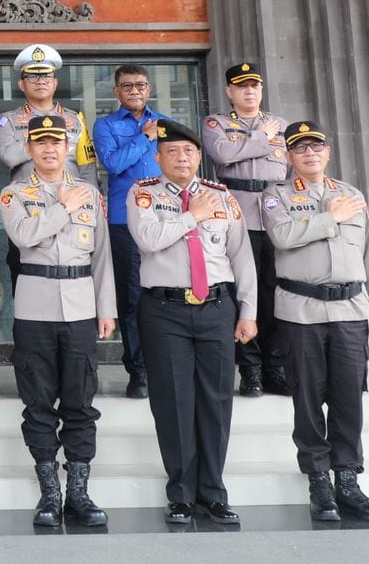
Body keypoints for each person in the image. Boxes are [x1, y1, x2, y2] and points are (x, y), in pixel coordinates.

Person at [263, 121, 369, 523]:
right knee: (307, 400)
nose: (309, 154)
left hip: (349, 311)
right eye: (300, 149)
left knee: (348, 399)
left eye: (316, 147)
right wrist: (330, 218)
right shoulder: (277, 196)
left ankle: (348, 479)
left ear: (328, 153)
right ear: (289, 157)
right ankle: (318, 481)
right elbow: (283, 237)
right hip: (300, 311)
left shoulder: (351, 195)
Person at [128, 119, 258, 526]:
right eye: (172, 152)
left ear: (200, 157)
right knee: (174, 402)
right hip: (164, 310)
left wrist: (249, 311)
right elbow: (148, 239)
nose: (181, 158)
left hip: (216, 308)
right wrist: (191, 216)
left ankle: (213, 493)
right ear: (159, 157)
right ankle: (182, 494)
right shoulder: (143, 194)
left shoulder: (223, 197)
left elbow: (242, 258)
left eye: (188, 152)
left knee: (217, 401)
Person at [0, 113, 116, 528]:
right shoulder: (14, 194)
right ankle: (50, 493)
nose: (50, 149)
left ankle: (79, 493)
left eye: (57, 142)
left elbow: (101, 255)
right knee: (38, 404)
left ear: (67, 148)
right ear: (29, 149)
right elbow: (24, 237)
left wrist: (107, 308)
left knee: (81, 403)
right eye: (41, 143)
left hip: (82, 306)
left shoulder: (89, 192)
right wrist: (62, 208)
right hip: (35, 309)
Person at [202, 61, 291, 398]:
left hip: (276, 213)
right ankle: (250, 368)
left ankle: (275, 366)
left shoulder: (281, 125)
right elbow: (224, 155)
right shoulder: (218, 124)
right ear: (230, 91)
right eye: (241, 86)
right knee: (245, 293)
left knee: (276, 290)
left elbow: (295, 166)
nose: (249, 91)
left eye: (254, 85)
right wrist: (260, 137)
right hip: (238, 212)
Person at [0, 44, 99, 299]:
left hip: (74, 206)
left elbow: (86, 166)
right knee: (25, 274)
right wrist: (41, 134)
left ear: (55, 82)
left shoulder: (76, 120)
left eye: (46, 76)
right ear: (21, 84)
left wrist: (94, 200)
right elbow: (7, 156)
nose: (40, 81)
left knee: (76, 269)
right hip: (28, 207)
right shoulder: (8, 120)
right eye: (33, 76)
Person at [91, 64, 171, 399]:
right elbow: (113, 164)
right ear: (117, 92)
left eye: (140, 85)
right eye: (127, 86)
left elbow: (179, 162)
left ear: (149, 88)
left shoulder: (166, 122)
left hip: (166, 218)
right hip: (124, 221)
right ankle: (138, 371)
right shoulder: (105, 125)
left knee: (166, 293)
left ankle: (165, 367)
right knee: (132, 297)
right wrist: (145, 137)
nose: (134, 90)